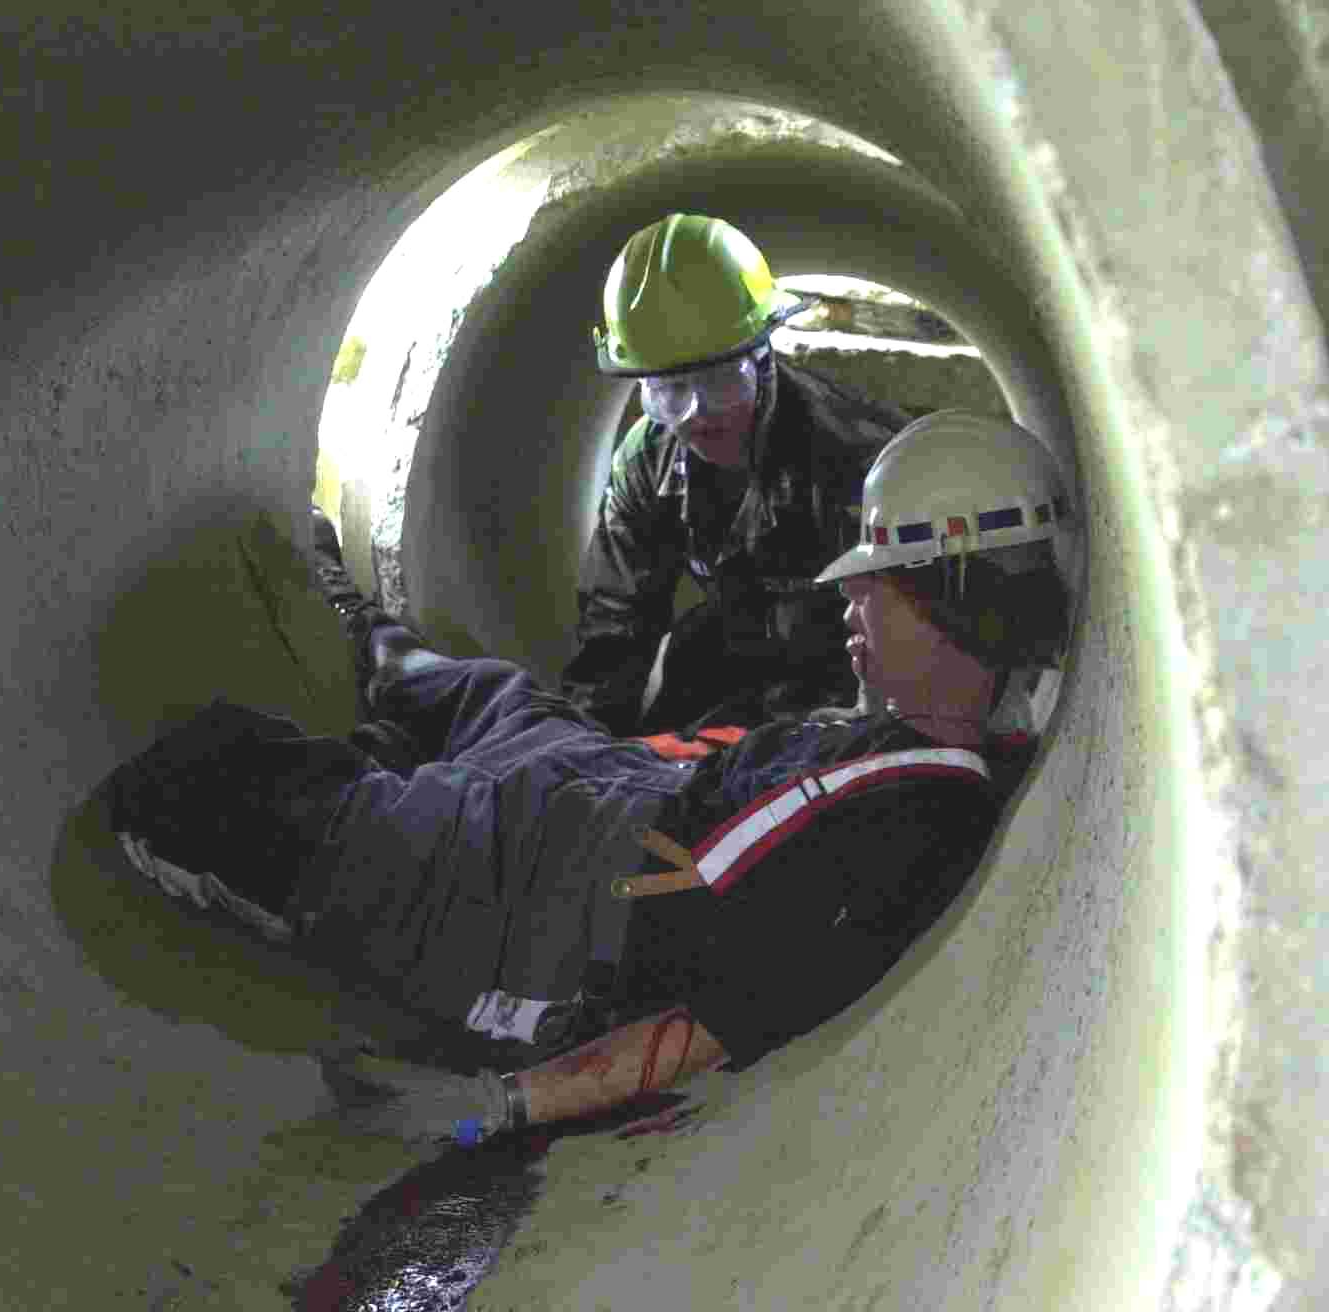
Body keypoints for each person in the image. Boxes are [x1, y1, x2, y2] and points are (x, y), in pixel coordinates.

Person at [104, 410, 1073, 1146]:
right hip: (600, 781)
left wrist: (493, 1104)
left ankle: (361, 773)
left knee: (190, 790)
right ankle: (363, 638)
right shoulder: (895, 732)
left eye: (882, 577)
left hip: (533, 898)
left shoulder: (920, 815)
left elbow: (740, 1007)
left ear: (963, 600)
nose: (850, 592)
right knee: (463, 685)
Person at [564, 212, 914, 736]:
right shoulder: (647, 460)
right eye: (671, 391)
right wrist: (586, 749)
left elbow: (913, 647)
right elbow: (615, 624)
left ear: (763, 359)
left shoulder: (861, 461)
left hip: (840, 676)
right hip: (735, 649)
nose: (699, 413)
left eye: (722, 381)